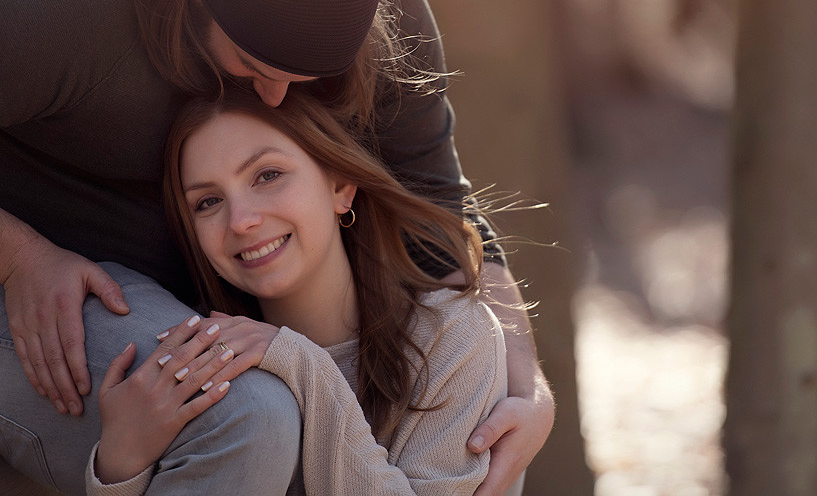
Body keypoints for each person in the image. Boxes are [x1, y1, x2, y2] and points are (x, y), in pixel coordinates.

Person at [0, 0, 551, 495]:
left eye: (305, 79)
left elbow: (443, 204)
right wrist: (22, 255)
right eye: (256, 68)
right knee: (248, 413)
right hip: (43, 298)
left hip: (207, 316)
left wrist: (528, 385)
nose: (273, 97)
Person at [85, 86, 507, 495]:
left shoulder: (453, 337)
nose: (240, 220)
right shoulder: (200, 357)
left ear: (341, 185)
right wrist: (120, 466)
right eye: (207, 202)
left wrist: (302, 365)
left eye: (267, 175)